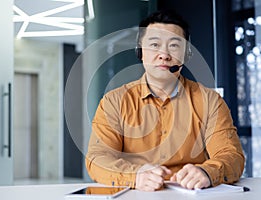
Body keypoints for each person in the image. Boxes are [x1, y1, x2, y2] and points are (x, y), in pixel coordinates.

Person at [85, 10, 245, 192]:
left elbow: (232, 156)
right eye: (154, 45)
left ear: (186, 54)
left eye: (174, 46)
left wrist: (208, 172)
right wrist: (135, 176)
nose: (164, 55)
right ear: (140, 52)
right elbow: (97, 158)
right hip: (135, 194)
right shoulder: (114, 101)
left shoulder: (210, 101)